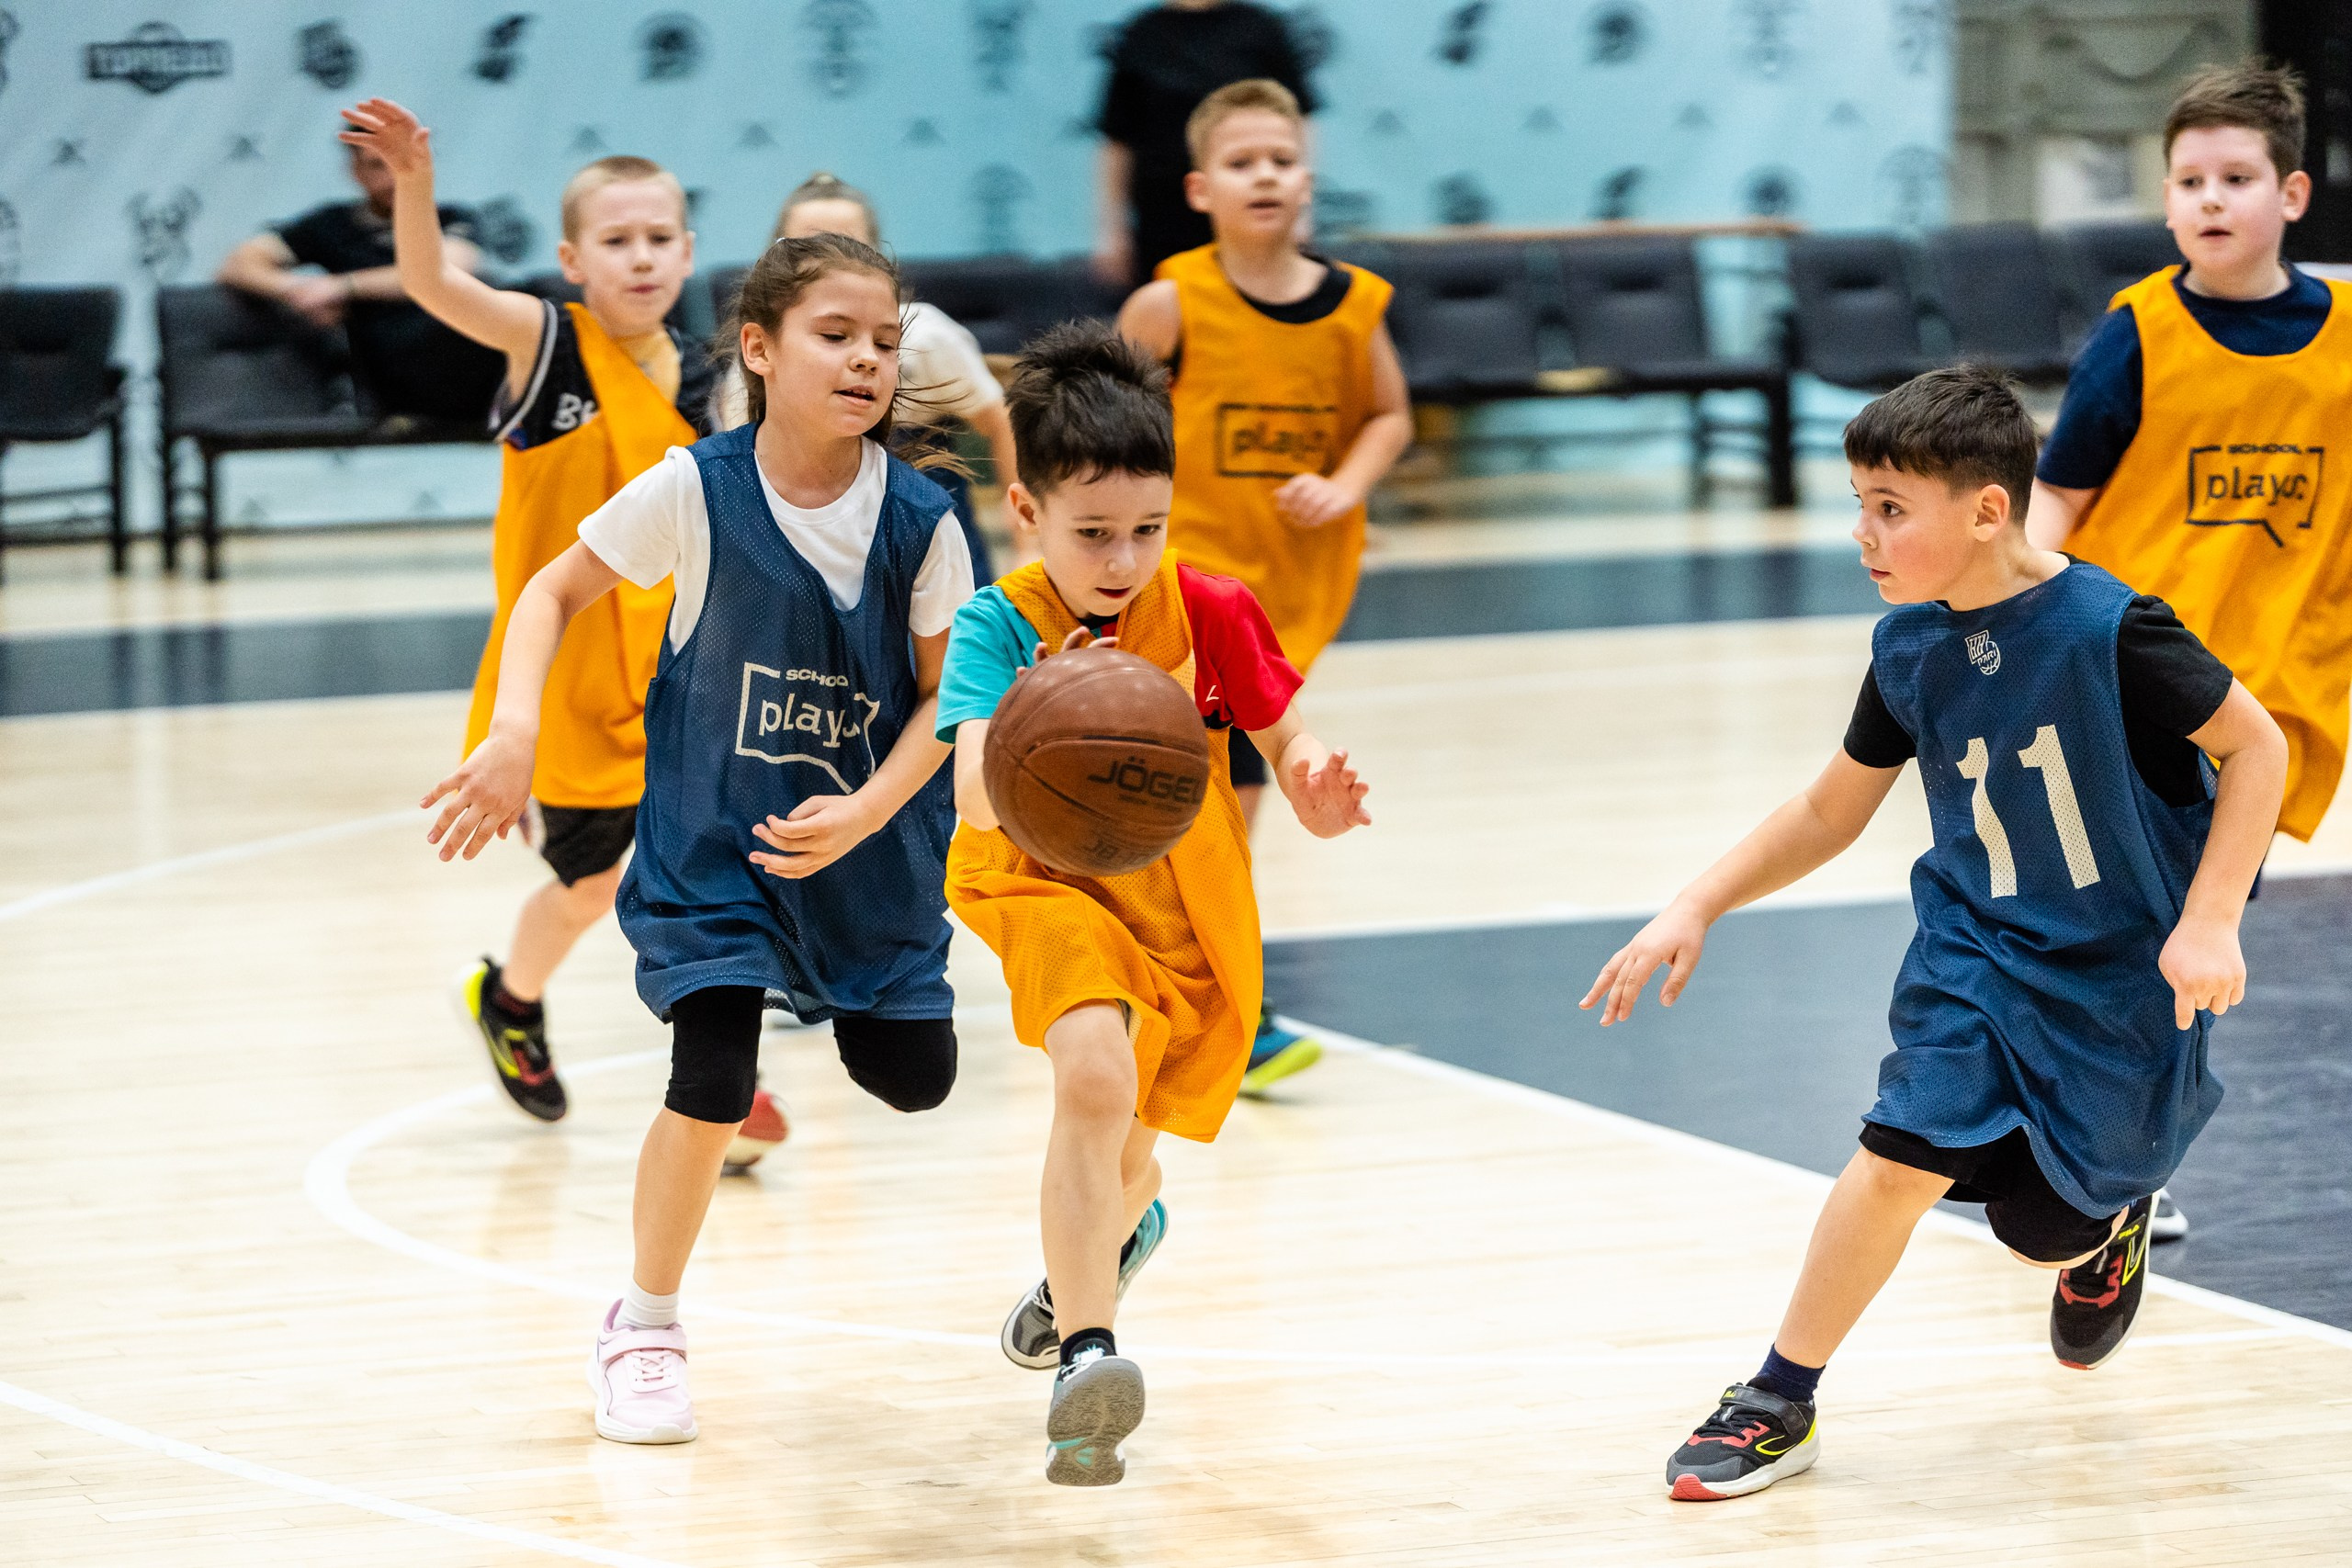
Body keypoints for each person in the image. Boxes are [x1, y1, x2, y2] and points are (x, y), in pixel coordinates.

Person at [1583, 367, 2286, 1502]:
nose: (1862, 533)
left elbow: (2257, 747)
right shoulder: (1908, 650)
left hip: (2119, 974)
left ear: (1987, 511)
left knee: (2039, 1232)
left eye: (1889, 508)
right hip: (1977, 958)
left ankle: (2108, 1222)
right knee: (1897, 1156)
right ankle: (1777, 1397)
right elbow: (1829, 811)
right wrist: (1695, 902)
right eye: (1858, 504)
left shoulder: (2111, 630)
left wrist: (2210, 919)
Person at [421, 231, 974, 1444]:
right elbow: (551, 590)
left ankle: (849, 994)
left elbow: (949, 698)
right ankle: (645, 1324)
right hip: (713, 845)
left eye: (885, 342)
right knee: (713, 1077)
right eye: (836, 335)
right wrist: (514, 727)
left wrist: (868, 809)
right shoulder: (694, 489)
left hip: (863, 853)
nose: (867, 360)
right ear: (760, 350)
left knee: (916, 1078)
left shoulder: (922, 521)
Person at [935, 323, 1371, 1485]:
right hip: (1040, 879)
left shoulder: (1212, 608)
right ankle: (1090, 1354)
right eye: (1092, 533)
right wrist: (1036, 720)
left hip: (1180, 897)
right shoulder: (997, 625)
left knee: (1127, 1155)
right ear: (1025, 511)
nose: (1123, 557)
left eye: (1148, 528)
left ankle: (1107, 1243)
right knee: (1091, 1077)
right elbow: (973, 793)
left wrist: (1315, 786)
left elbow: (1285, 736)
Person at [342, 97, 714, 1121]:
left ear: (687, 252)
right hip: (556, 686)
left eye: (658, 238)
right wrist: (415, 182)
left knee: (708, 880)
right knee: (590, 889)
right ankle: (509, 998)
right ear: (572, 260)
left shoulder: (711, 378)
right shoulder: (546, 341)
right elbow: (431, 283)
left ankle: (721, 1077)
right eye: (616, 240)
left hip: (668, 680)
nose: (640, 257)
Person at [2028, 62, 2348, 1243]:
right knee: (2133, 934)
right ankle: (2112, 1157)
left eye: (2236, 178)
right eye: (2188, 181)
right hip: (2129, 684)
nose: (2209, 199)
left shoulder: (2347, 340)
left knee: (2191, 937)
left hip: (2274, 704)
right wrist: (2003, 617)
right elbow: (2056, 499)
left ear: (2292, 194)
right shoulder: (2139, 335)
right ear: (2166, 202)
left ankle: (2119, 1152)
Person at [1118, 78, 1411, 1094]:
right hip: (1182, 588)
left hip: (1289, 595)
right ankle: (1218, 1005)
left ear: (1307, 180)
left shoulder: (1351, 305)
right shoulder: (1169, 303)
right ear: (1200, 189)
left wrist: (1346, 483)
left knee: (1229, 802)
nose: (1265, 176)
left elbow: (1389, 415)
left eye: (1282, 160)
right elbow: (1096, 426)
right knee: (1205, 798)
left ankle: (1179, 982)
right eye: (1242, 162)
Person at [714, 172, 1019, 582]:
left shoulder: (927, 335)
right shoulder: (760, 359)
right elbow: (744, 478)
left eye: (847, 242)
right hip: (816, 553)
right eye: (810, 243)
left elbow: (1000, 420)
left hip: (937, 550)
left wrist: (1025, 538)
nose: (831, 257)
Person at [217, 128, 504, 424]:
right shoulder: (332, 224)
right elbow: (239, 263)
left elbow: (446, 271)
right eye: (378, 165)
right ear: (356, 171)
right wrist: (294, 289)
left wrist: (342, 287)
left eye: (403, 163)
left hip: (464, 360)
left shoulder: (451, 218)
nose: (393, 176)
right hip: (387, 370)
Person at [1094, 0, 1319, 288]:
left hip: (1249, 216)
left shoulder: (1261, 28)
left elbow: (1299, 119)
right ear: (1196, 188)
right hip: (1162, 218)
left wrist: (1301, 212)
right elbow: (1117, 140)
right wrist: (1111, 229)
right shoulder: (1142, 33)